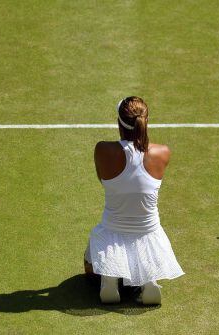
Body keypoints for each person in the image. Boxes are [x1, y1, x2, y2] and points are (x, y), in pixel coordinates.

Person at [84, 96, 184, 304]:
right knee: (139, 242)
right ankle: (149, 281)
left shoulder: (103, 149)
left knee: (88, 265)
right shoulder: (162, 152)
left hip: (112, 232)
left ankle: (109, 280)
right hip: (149, 233)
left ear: (119, 123)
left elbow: (104, 180)